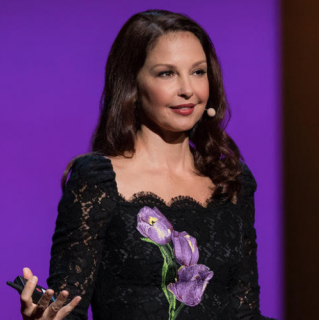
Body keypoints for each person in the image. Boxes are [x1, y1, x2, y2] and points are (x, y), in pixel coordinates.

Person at [19, 9, 276, 320]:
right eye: (166, 73)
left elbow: (245, 312)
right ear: (132, 85)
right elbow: (67, 309)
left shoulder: (229, 179)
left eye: (198, 72)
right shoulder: (98, 179)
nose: (188, 90)